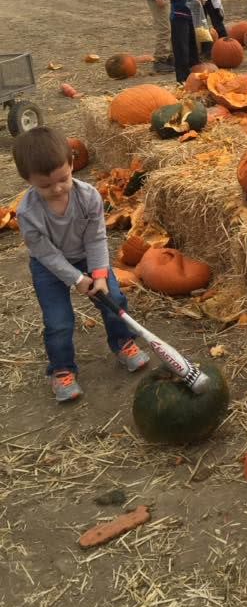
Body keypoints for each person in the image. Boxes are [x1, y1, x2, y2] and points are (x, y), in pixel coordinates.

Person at [13, 127, 150, 403]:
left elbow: (96, 238)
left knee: (113, 298)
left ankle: (123, 343)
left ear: (72, 164)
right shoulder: (28, 213)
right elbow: (47, 255)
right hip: (49, 267)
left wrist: (98, 275)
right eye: (45, 185)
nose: (57, 188)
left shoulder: (87, 197)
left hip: (87, 256)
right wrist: (76, 279)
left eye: (63, 179)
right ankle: (61, 370)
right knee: (59, 321)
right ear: (27, 180)